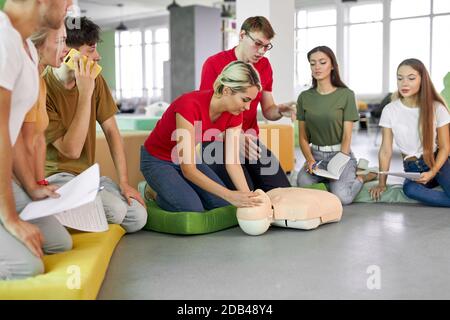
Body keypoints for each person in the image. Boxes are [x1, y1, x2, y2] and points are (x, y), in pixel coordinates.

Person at [43, 16, 147, 233]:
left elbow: (111, 131)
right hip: (55, 177)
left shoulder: (95, 80)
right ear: (68, 54)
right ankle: (81, 201)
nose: (98, 56)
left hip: (85, 177)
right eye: (90, 50)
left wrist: (124, 182)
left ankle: (100, 190)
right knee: (116, 212)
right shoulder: (43, 88)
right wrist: (85, 92)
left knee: (138, 217)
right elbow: (71, 151)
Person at [0, 0, 72, 280]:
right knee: (26, 267)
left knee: (57, 242)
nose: (70, 4)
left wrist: (32, 185)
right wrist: (9, 217)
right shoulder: (3, 40)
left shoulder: (27, 48)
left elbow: (12, 130)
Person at [140, 61, 263, 212]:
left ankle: (179, 189)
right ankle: (152, 191)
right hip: (157, 161)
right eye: (245, 99)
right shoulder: (189, 105)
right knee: (192, 208)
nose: (248, 107)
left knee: (222, 204)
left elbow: (233, 163)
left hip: (187, 159)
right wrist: (230, 195)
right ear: (226, 90)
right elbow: (189, 170)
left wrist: (248, 198)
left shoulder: (236, 114)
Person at [199, 16, 293, 192]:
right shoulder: (214, 64)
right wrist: (232, 136)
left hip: (249, 141)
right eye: (257, 44)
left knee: (282, 190)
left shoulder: (264, 66)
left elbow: (268, 110)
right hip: (216, 140)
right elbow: (205, 116)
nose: (262, 51)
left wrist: (280, 110)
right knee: (247, 191)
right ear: (242, 35)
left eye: (266, 46)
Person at [296, 46, 376, 205]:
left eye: (322, 62)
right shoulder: (304, 97)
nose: (317, 67)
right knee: (303, 184)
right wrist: (310, 160)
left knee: (343, 198)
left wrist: (341, 159)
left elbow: (347, 136)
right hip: (316, 156)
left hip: (341, 154)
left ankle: (363, 175)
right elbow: (303, 138)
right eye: (312, 63)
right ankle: (330, 181)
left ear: (332, 65)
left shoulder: (346, 95)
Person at [369, 58, 450, 207]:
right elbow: (386, 150)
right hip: (413, 168)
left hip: (439, 163)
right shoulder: (390, 110)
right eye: (400, 78)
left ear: (422, 80)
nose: (404, 83)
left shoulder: (437, 108)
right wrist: (381, 183)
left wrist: (432, 172)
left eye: (411, 78)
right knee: (409, 189)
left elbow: (445, 147)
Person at [22, 24, 69, 187]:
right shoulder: (28, 80)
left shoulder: (40, 81)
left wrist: (41, 182)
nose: (66, 49)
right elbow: (26, 144)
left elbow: (39, 139)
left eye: (65, 41)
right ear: (38, 45)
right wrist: (33, 188)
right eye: (59, 42)